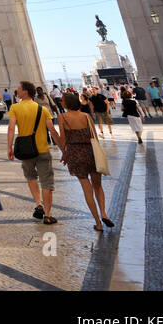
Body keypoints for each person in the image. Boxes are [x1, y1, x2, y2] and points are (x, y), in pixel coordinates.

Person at [6, 80, 63, 226]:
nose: (17, 91)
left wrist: (9, 147)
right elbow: (52, 130)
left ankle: (39, 204)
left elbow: (11, 128)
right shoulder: (42, 109)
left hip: (26, 151)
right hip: (43, 150)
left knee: (31, 177)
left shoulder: (15, 108)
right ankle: (48, 215)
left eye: (19, 88)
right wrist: (64, 150)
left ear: (25, 91)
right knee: (46, 183)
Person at [58, 93, 113, 232]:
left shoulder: (63, 117)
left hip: (75, 153)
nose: (61, 102)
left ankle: (98, 222)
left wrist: (65, 154)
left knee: (86, 189)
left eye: (62, 100)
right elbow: (94, 136)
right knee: (98, 186)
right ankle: (104, 213)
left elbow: (63, 139)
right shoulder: (86, 116)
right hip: (90, 152)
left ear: (67, 103)